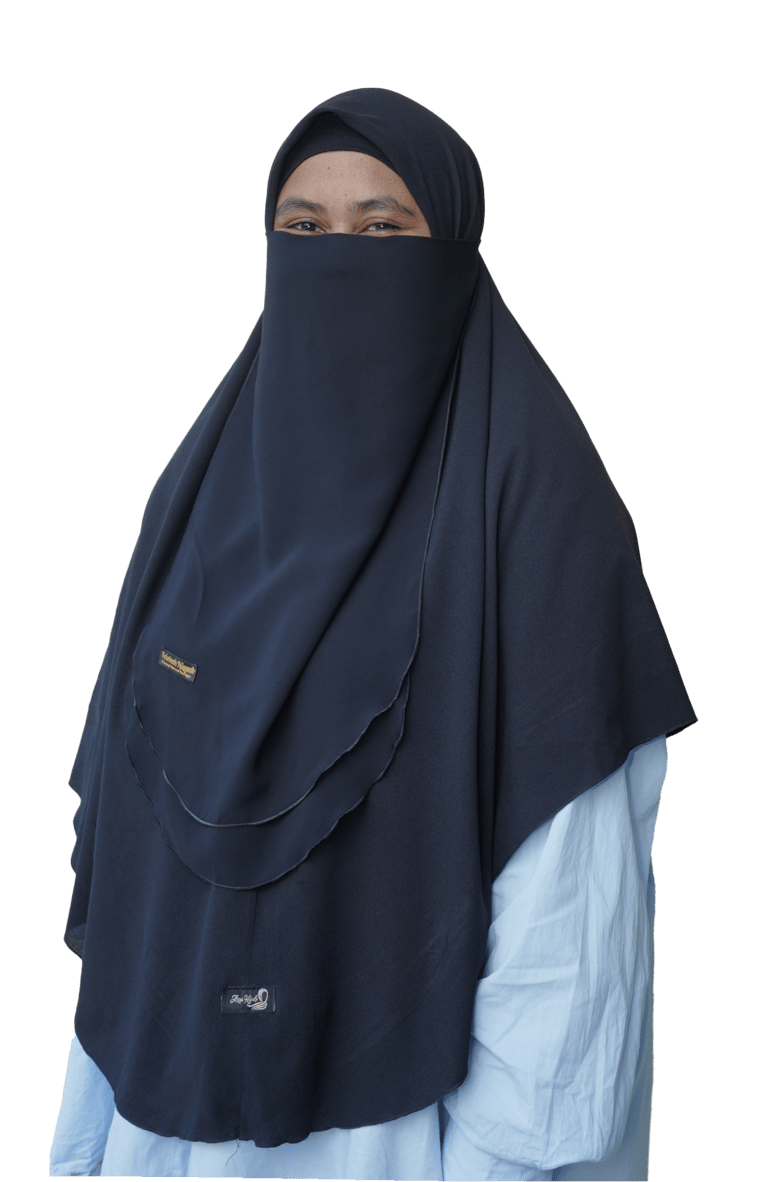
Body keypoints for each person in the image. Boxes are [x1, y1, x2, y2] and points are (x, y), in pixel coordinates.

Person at [49, 88, 696, 1181]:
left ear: (452, 252)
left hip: (403, 1141)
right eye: (303, 229)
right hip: (169, 1116)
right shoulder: (202, 498)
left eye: (383, 229)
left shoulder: (536, 507)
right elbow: (132, 862)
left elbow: (569, 930)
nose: (337, 259)